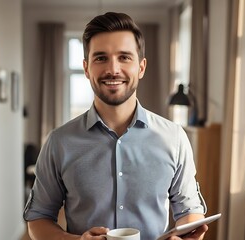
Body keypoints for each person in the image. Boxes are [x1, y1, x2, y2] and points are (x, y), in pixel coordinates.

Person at [23, 12, 208, 240]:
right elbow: (38, 219)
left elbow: (191, 212)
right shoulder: (59, 142)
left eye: (124, 57)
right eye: (101, 58)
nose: (113, 69)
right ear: (86, 68)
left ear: (141, 67)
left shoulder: (174, 138)